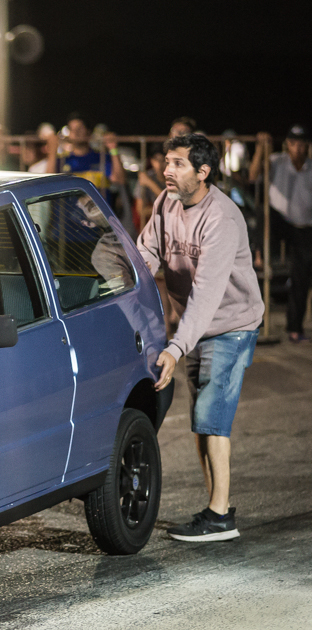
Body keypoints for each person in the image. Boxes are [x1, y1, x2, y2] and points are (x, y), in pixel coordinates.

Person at [137, 133, 264, 542]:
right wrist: (130, 273)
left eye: (178, 164)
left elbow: (207, 294)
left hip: (230, 325)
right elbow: (148, 251)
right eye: (167, 161)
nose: (167, 170)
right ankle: (216, 506)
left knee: (212, 418)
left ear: (203, 171)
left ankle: (221, 516)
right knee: (201, 422)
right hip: (197, 327)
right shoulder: (165, 202)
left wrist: (175, 347)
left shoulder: (221, 218)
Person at [249, 124, 311, 342]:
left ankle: (295, 327)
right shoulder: (277, 160)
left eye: (302, 144)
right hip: (279, 221)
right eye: (293, 144)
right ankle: (260, 254)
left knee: (302, 276)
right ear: (287, 144)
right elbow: (253, 175)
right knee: (262, 211)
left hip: (303, 227)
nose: (297, 149)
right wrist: (260, 149)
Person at [46, 114, 126, 196]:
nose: (75, 133)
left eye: (79, 128)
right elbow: (48, 185)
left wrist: (113, 148)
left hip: (98, 204)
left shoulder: (102, 158)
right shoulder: (64, 160)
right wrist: (52, 151)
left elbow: (119, 180)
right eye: (71, 129)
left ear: (89, 131)